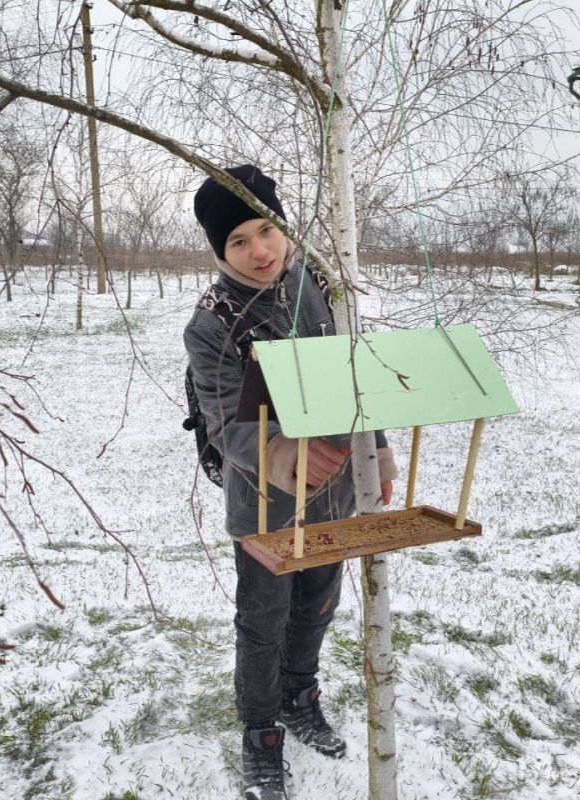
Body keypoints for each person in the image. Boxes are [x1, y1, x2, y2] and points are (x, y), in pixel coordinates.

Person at [184, 165, 397, 800]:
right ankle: (260, 729)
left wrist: (377, 454)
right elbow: (224, 419)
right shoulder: (212, 320)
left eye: (268, 230)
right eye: (240, 241)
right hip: (263, 501)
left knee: (317, 604)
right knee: (264, 617)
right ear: (220, 250)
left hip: (332, 490)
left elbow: (354, 375)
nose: (260, 251)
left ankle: (300, 694)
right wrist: (281, 455)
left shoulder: (314, 283)